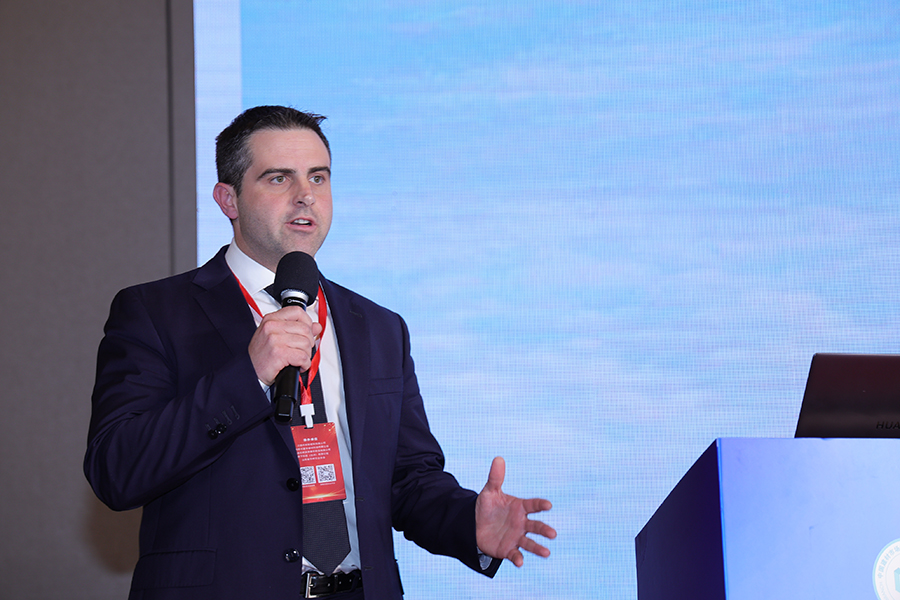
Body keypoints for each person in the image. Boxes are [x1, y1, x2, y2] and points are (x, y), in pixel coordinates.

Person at [84, 105, 555, 600]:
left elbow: (408, 480)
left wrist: (467, 522)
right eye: (278, 178)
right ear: (228, 199)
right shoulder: (156, 312)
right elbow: (117, 470)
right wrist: (248, 375)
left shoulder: (379, 328)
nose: (305, 195)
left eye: (318, 177)